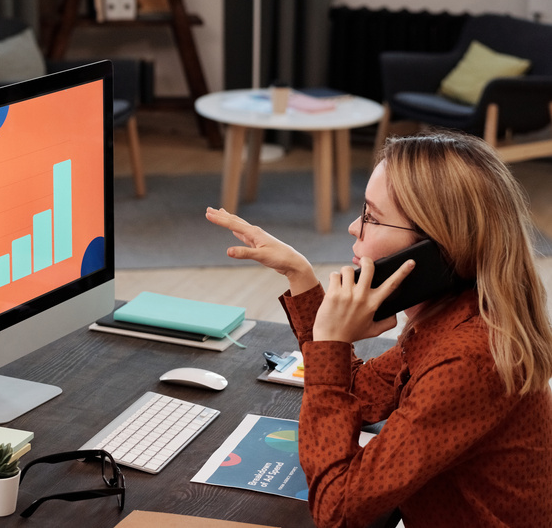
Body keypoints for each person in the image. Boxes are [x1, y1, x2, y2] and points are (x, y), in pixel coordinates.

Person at [206, 131, 552, 527]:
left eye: (372, 216)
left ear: (433, 249)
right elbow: (358, 394)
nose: (355, 227)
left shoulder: (469, 359)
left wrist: (332, 341)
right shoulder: (451, 318)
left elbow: (336, 507)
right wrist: (300, 277)